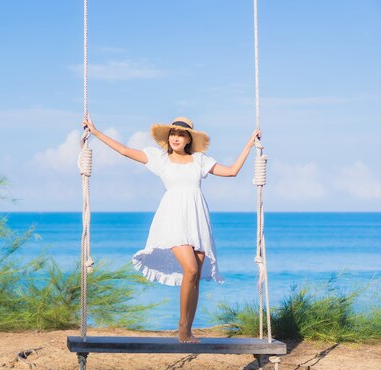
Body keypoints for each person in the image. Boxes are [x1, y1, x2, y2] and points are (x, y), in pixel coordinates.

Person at [82, 116, 260, 343]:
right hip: (173, 219)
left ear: (189, 139)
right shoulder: (160, 159)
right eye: (173, 134)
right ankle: (182, 328)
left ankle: (188, 328)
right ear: (168, 137)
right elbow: (125, 151)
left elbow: (233, 171)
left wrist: (249, 145)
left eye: (181, 134)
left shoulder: (199, 160)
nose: (176, 137)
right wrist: (96, 133)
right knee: (191, 269)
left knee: (194, 277)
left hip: (198, 220)